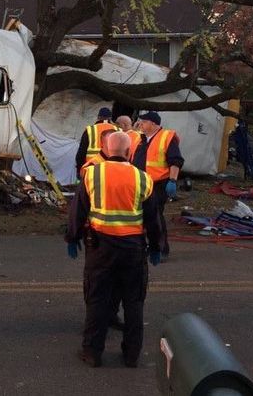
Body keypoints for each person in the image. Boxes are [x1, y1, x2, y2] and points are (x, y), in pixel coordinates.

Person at [66, 131, 160, 368]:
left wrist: (72, 237)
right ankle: (131, 355)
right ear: (129, 153)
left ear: (106, 151)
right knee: (133, 301)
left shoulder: (91, 174)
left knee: (97, 299)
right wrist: (158, 246)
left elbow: (78, 210)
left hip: (100, 247)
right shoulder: (143, 178)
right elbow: (153, 218)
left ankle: (92, 352)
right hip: (133, 249)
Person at [131, 112, 183, 258]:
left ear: (153, 124)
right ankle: (144, 247)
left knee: (155, 216)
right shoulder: (139, 139)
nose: (140, 124)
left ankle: (160, 249)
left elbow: (176, 161)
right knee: (139, 217)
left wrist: (172, 181)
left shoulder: (167, 137)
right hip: (139, 183)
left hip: (158, 184)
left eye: (144, 122)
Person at [75, 107, 119, 176]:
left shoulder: (90, 130)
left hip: (91, 170)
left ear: (98, 117)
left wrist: (79, 169)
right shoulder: (118, 131)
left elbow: (81, 153)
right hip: (112, 171)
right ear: (110, 118)